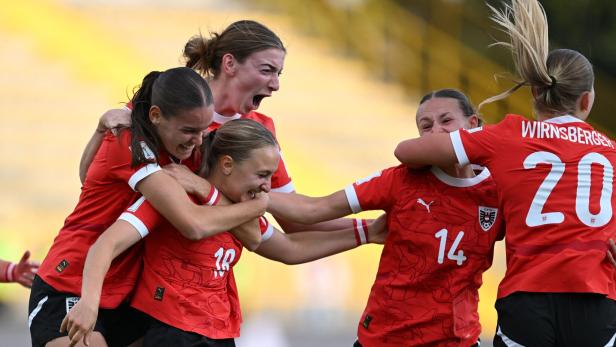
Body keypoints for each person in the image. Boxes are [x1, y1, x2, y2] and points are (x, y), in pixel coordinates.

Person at [394, 1, 616, 345]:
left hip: (529, 297)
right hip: (596, 298)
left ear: (535, 93)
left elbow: (406, 151)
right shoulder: (610, 151)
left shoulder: (507, 135)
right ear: (586, 101)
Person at [62, 119, 387, 347]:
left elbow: (288, 248)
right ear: (227, 164)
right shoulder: (173, 199)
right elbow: (107, 244)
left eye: (271, 179)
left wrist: (367, 233)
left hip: (219, 331)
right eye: (262, 175)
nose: (266, 188)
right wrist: (88, 302)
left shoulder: (238, 210)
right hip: (173, 331)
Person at [29, 67, 267, 347]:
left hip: (126, 293)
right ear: (156, 115)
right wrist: (261, 205)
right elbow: (193, 223)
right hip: (73, 283)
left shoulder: (180, 148)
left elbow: (262, 238)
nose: (198, 140)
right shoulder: (132, 143)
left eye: (203, 130)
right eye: (190, 130)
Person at [267, 89, 504, 347]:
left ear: (473, 124)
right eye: (426, 126)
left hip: (458, 340)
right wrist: (252, 197)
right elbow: (314, 210)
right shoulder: (399, 180)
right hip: (387, 338)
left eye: (446, 121)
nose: (435, 131)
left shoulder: (498, 190)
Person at [83, 20, 358, 233]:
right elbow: (90, 178)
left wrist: (371, 229)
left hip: (201, 282)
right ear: (229, 63)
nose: (276, 84)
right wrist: (100, 130)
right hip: (119, 258)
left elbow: (294, 220)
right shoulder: (171, 99)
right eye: (266, 70)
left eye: (278, 73)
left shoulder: (259, 132)